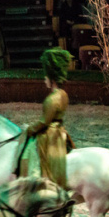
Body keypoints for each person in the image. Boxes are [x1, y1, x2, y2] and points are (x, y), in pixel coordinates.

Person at [17, 48, 74, 188]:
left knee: (30, 148)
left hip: (50, 134)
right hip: (60, 130)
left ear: (52, 79)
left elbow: (44, 122)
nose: (44, 80)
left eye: (46, 77)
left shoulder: (52, 99)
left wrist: (30, 128)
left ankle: (33, 178)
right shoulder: (63, 94)